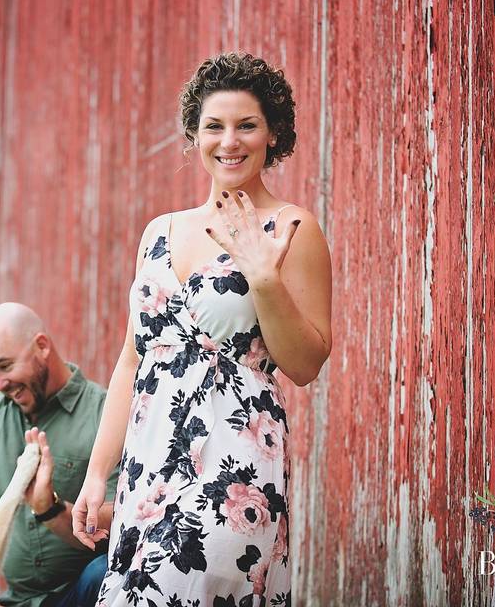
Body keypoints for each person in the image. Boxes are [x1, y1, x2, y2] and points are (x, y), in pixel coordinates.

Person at [72, 53, 333, 605]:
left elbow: (305, 365)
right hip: (149, 465)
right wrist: (99, 476)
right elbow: (131, 361)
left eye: (247, 125)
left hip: (233, 463)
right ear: (194, 134)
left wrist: (264, 279)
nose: (229, 141)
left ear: (272, 134)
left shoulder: (291, 227)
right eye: (214, 125)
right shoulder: (159, 232)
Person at [0, 302, 118, 607]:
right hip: (12, 602)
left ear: (42, 346)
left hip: (82, 596)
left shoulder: (106, 415)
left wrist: (49, 509)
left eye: (5, 366)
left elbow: (120, 519)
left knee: (103, 574)